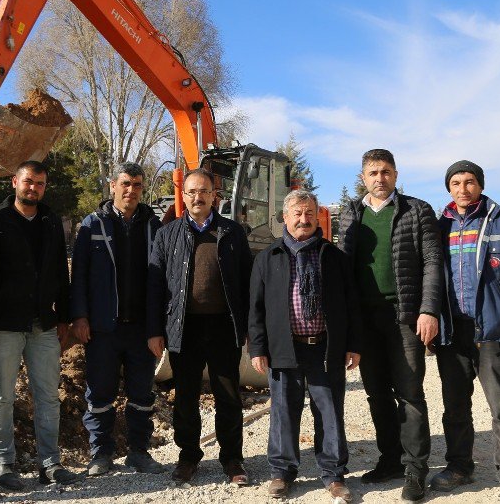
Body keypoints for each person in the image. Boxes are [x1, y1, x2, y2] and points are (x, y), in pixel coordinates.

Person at [338, 148, 443, 502]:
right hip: (365, 320)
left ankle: (416, 469)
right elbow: (342, 268)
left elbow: (432, 261)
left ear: (396, 175)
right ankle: (390, 460)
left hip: (405, 317)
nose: (379, 178)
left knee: (410, 394)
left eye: (385, 172)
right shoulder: (352, 214)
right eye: (372, 173)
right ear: (363, 177)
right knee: (377, 393)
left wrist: (428, 310)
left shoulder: (416, 210)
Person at [249, 189, 362, 502]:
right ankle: (282, 471)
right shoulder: (267, 257)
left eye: (309, 214)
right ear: (285, 218)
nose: (303, 220)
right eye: (297, 214)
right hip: (284, 348)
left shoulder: (333, 256)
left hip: (325, 349)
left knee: (329, 411)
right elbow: (255, 309)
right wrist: (257, 348)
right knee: (284, 411)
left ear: (317, 217)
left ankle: (333, 474)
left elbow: (351, 304)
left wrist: (353, 344)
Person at [430, 161, 500, 503]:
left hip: (491, 330)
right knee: (454, 405)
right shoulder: (438, 226)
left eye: (470, 182)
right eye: (456, 182)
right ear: (449, 188)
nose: (463, 188)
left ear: (481, 185)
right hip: (453, 331)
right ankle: (460, 466)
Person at [147, 167, 253, 486]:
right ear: (183, 195)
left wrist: (249, 326)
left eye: (203, 191)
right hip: (184, 327)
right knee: (186, 397)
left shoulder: (233, 233)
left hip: (223, 327)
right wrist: (155, 330)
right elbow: (155, 286)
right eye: (191, 191)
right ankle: (188, 457)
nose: (197, 197)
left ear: (213, 196)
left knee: (228, 395)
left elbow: (248, 283)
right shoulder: (167, 234)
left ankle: (233, 459)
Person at [0, 161, 80, 490]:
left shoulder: (51, 222)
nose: (33, 188)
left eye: (39, 183)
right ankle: (3, 464)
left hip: (43, 325)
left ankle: (50, 463)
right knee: (2, 397)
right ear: (14, 182)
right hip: (5, 325)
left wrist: (64, 316)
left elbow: (58, 274)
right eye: (28, 182)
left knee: (49, 396)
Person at [70, 162, 165, 476]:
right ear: (112, 185)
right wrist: (80, 317)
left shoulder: (153, 226)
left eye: (137, 185)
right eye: (125, 183)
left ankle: (139, 452)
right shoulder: (92, 224)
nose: (131, 190)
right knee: (100, 394)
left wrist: (157, 328)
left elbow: (162, 280)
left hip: (142, 330)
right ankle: (101, 455)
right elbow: (79, 275)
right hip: (102, 329)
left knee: (142, 395)